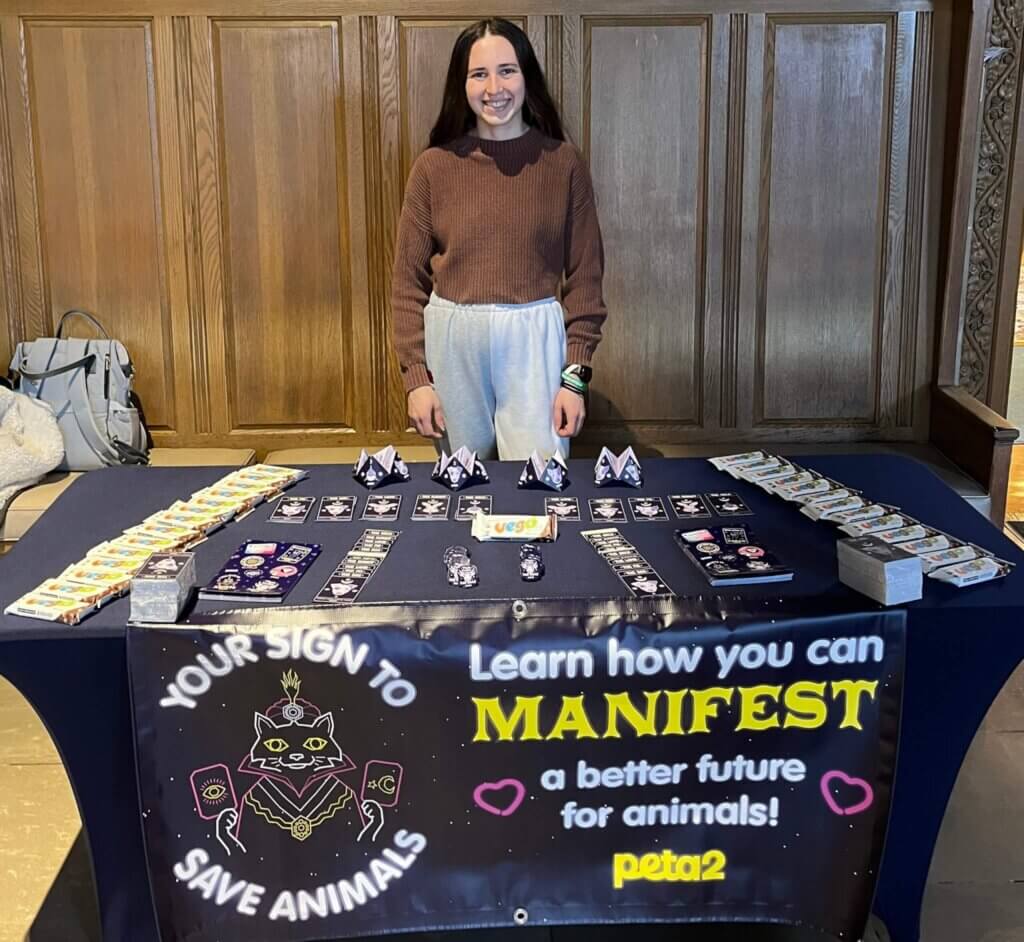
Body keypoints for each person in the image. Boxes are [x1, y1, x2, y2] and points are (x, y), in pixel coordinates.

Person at [390, 17, 607, 461]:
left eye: (507, 70)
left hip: (534, 340)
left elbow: (586, 279)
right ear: (462, 84)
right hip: (452, 341)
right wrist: (417, 379)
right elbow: (406, 286)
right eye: (479, 74)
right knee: (463, 485)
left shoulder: (563, 164)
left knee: (541, 485)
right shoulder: (433, 167)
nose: (495, 87)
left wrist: (574, 379)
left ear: (527, 77)